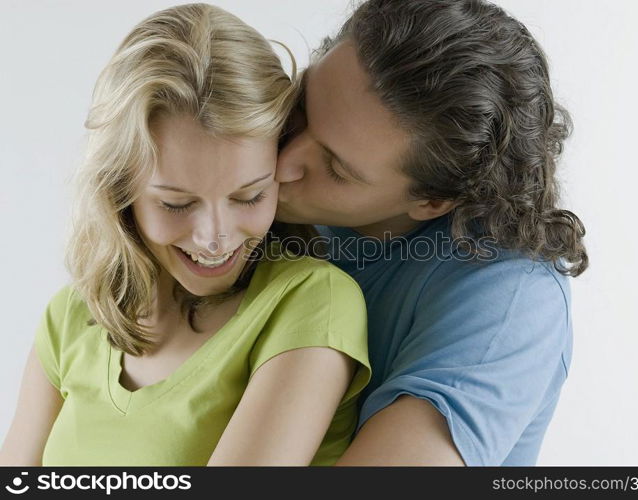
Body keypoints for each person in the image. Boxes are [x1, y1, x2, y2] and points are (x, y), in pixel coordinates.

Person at [0, 3, 370, 466]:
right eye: (176, 203)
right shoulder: (71, 318)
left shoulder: (312, 302)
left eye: (249, 196)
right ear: (120, 191)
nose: (214, 238)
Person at [275, 0, 588, 466]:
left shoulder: (511, 301)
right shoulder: (258, 185)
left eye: (337, 169)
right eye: (301, 109)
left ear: (432, 202)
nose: (280, 162)